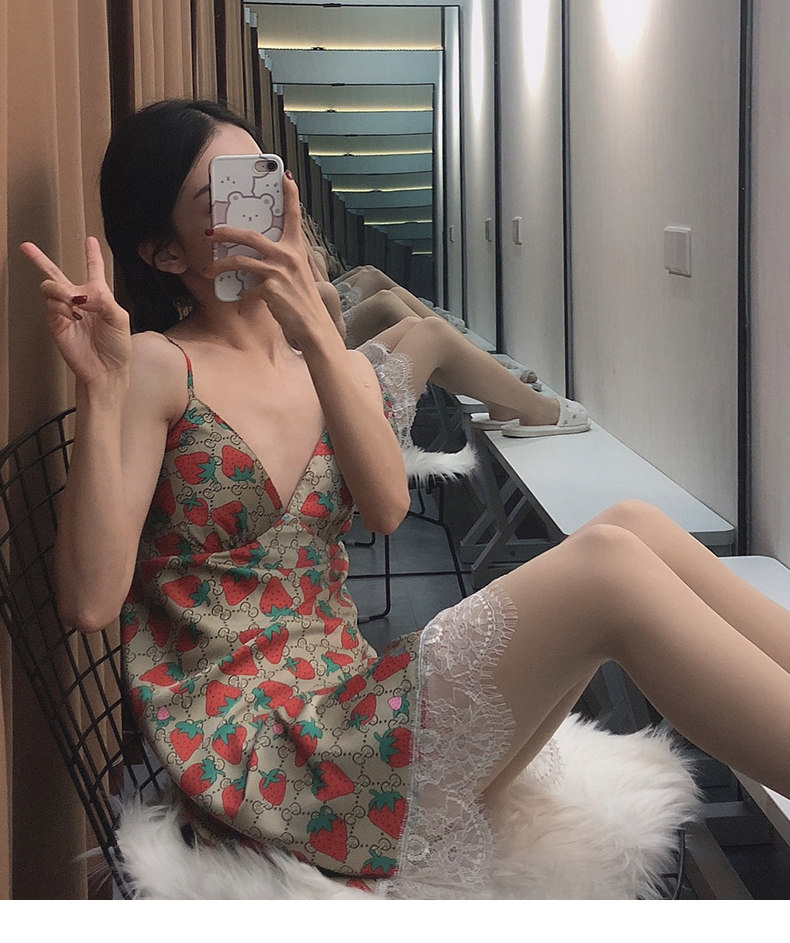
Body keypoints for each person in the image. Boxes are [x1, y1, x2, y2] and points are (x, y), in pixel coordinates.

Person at [21, 98, 790, 898]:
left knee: (634, 523)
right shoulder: (158, 364)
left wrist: (317, 331)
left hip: (354, 710)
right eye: (225, 195)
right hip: (268, 761)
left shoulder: (320, 357)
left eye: (265, 178)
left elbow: (386, 506)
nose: (261, 208)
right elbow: (89, 601)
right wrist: (101, 387)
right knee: (609, 568)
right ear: (166, 251)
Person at [305, 244, 591, 438]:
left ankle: (500, 396)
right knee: (430, 332)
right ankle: (536, 408)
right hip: (315, 395)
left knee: (408, 319)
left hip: (304, 371)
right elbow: (326, 309)